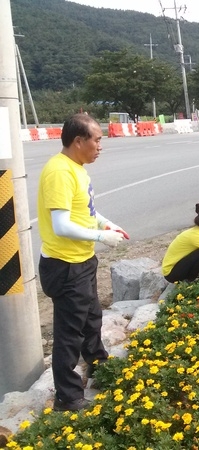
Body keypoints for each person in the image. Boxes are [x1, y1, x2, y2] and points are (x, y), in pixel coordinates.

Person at [37, 113, 129, 412]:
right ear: (79, 141)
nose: (100, 146)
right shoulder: (59, 172)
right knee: (69, 332)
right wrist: (101, 238)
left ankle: (98, 365)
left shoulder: (76, 168)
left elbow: (85, 209)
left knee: (91, 318)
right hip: (65, 265)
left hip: (82, 260)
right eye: (97, 140)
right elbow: (61, 225)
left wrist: (105, 224)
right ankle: (69, 396)